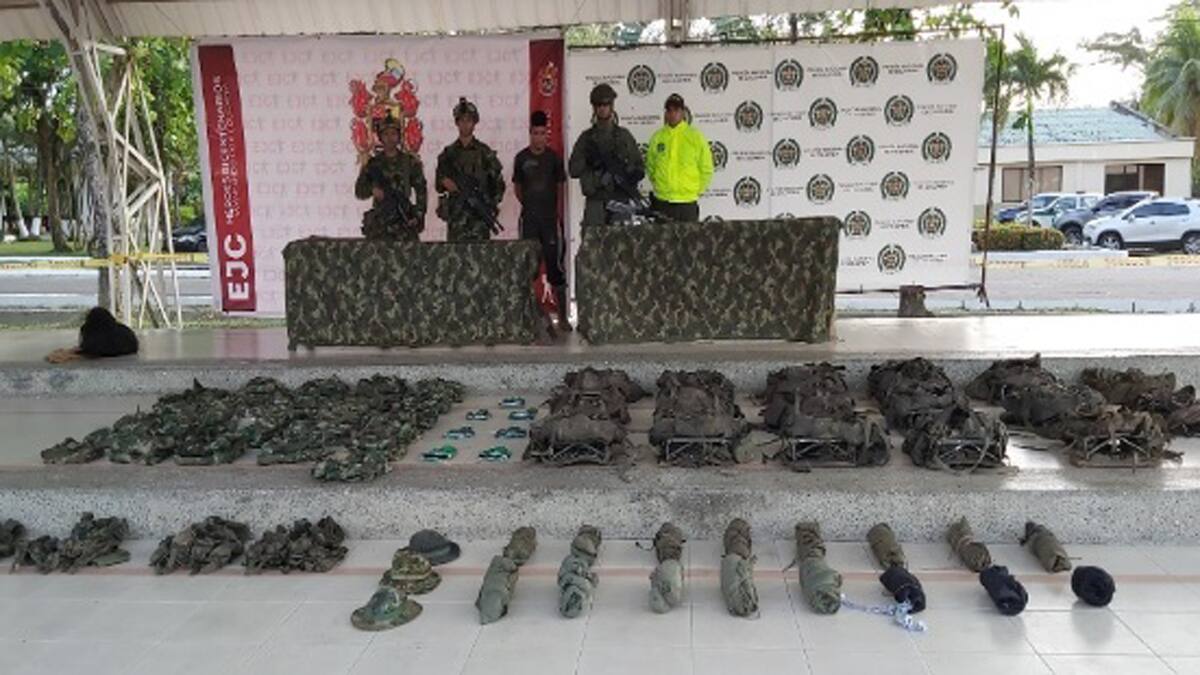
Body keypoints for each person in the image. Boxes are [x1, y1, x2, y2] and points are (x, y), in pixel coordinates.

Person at [513, 110, 571, 331]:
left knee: (556, 267)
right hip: (529, 221)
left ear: (547, 135)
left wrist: (551, 211)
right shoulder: (521, 158)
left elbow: (560, 188)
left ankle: (563, 318)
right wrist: (531, 206)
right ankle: (531, 317)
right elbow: (518, 189)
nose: (538, 138)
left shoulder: (554, 159)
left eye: (542, 133)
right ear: (530, 134)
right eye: (535, 133)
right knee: (528, 268)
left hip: (549, 221)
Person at [568, 83, 645, 227]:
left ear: (612, 106)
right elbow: (573, 170)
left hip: (620, 201)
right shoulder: (586, 138)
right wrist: (588, 160)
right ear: (594, 108)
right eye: (599, 105)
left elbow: (640, 168)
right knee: (593, 240)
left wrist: (628, 173)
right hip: (596, 202)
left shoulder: (624, 136)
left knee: (620, 240)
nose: (602, 108)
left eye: (606, 104)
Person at [435, 97, 505, 242]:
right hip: (456, 217)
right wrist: (444, 182)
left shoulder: (485, 153)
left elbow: (498, 184)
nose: (465, 124)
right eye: (462, 120)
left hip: (478, 217)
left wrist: (489, 204)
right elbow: (438, 184)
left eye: (469, 120)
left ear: (474, 123)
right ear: (457, 123)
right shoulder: (448, 154)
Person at [354, 114, 427, 241]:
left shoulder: (409, 162)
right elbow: (359, 191)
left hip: (403, 220)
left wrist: (417, 215)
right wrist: (372, 190)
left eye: (393, 134)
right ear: (380, 137)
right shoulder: (373, 164)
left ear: (399, 136)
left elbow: (421, 191)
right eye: (386, 134)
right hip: (380, 224)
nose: (390, 138)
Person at [645, 94, 713, 222]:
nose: (672, 114)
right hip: (662, 202)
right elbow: (650, 166)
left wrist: (694, 190)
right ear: (666, 113)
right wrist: (660, 186)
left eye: (676, 110)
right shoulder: (657, 137)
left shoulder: (695, 137)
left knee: (689, 236)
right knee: (662, 236)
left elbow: (706, 168)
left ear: (683, 112)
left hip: (687, 204)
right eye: (669, 110)